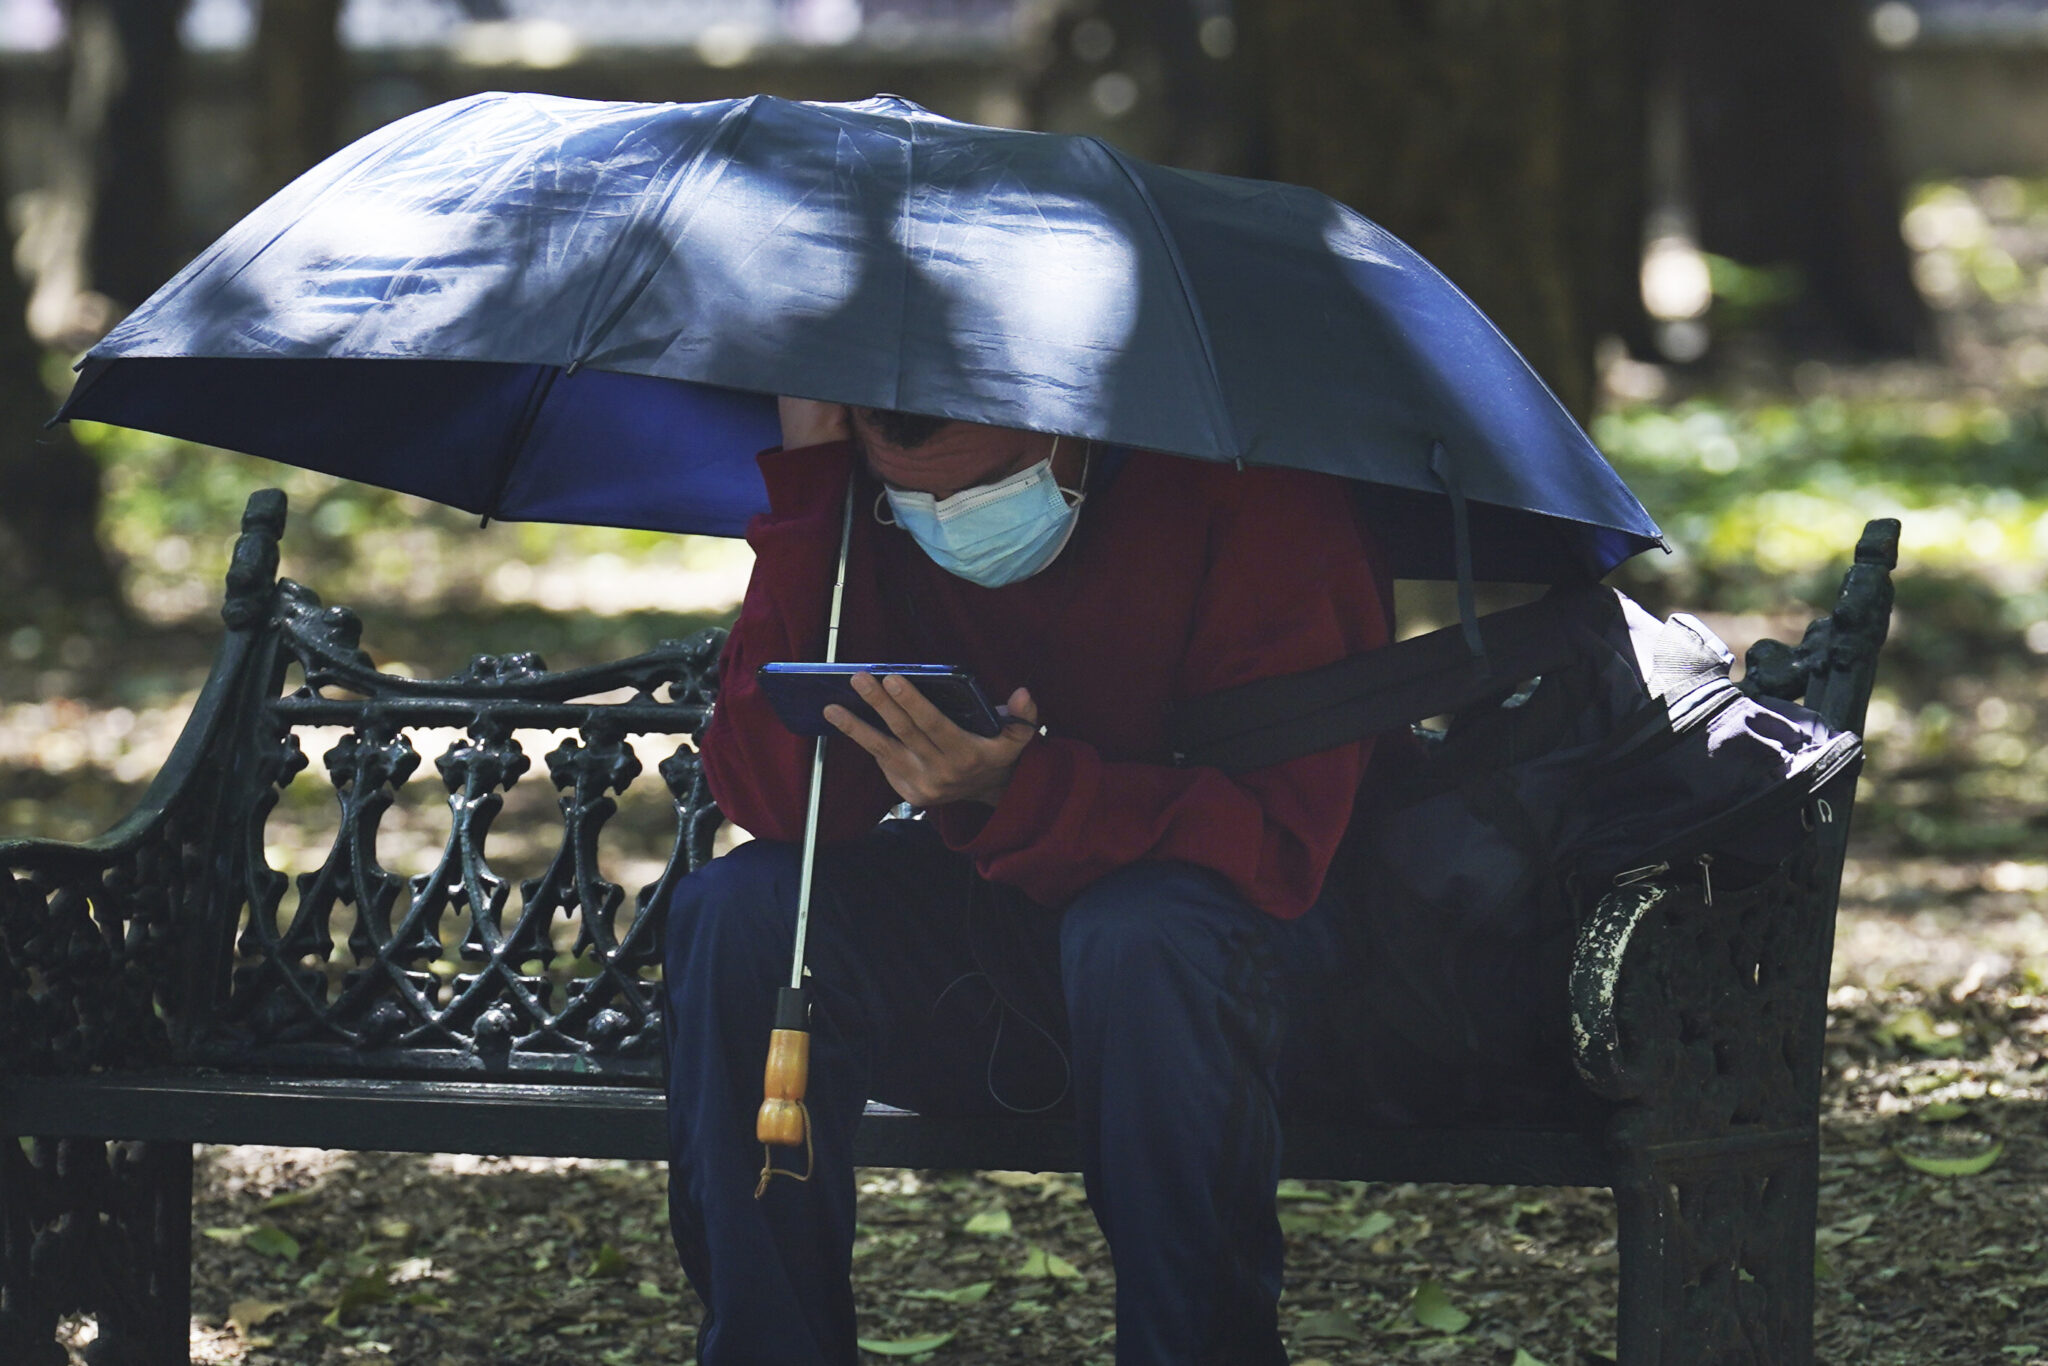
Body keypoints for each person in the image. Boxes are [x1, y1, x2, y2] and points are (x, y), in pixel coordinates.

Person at [662, 396, 1391, 1365]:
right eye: (914, 501)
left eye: (985, 488)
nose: (950, 521)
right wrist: (816, 492)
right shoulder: (861, 502)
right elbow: (780, 804)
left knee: (1138, 935)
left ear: (1072, 416)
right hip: (1002, 941)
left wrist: (1022, 790)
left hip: (1228, 968)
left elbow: (1280, 843)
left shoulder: (1255, 485)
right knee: (739, 910)